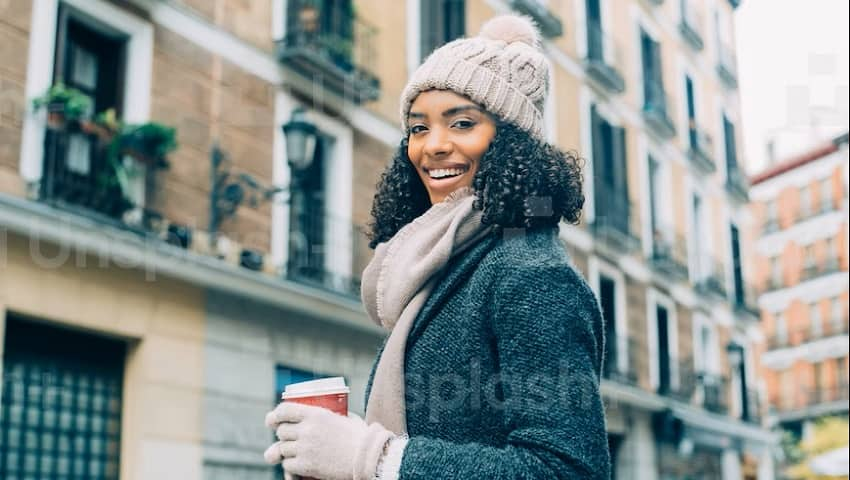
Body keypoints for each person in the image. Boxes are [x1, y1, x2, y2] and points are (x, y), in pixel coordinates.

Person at [263, 14, 611, 479]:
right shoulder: (447, 267)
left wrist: (372, 457)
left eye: (462, 123)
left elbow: (568, 470)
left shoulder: (532, 274)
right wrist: (337, 452)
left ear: (510, 143)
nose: (433, 146)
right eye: (418, 127)